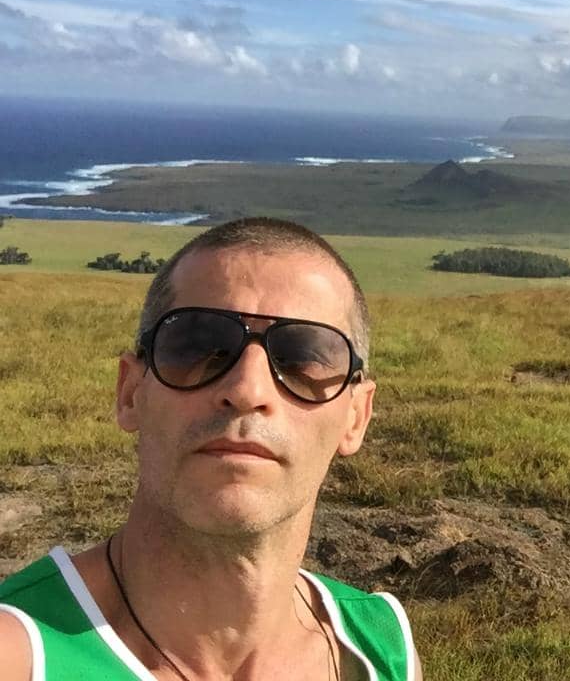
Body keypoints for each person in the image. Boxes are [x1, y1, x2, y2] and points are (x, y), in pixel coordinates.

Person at [0, 217, 423, 680]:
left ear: (356, 417)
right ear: (129, 394)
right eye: (198, 345)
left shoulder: (381, 648)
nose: (247, 389)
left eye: (304, 356)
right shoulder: (21, 655)